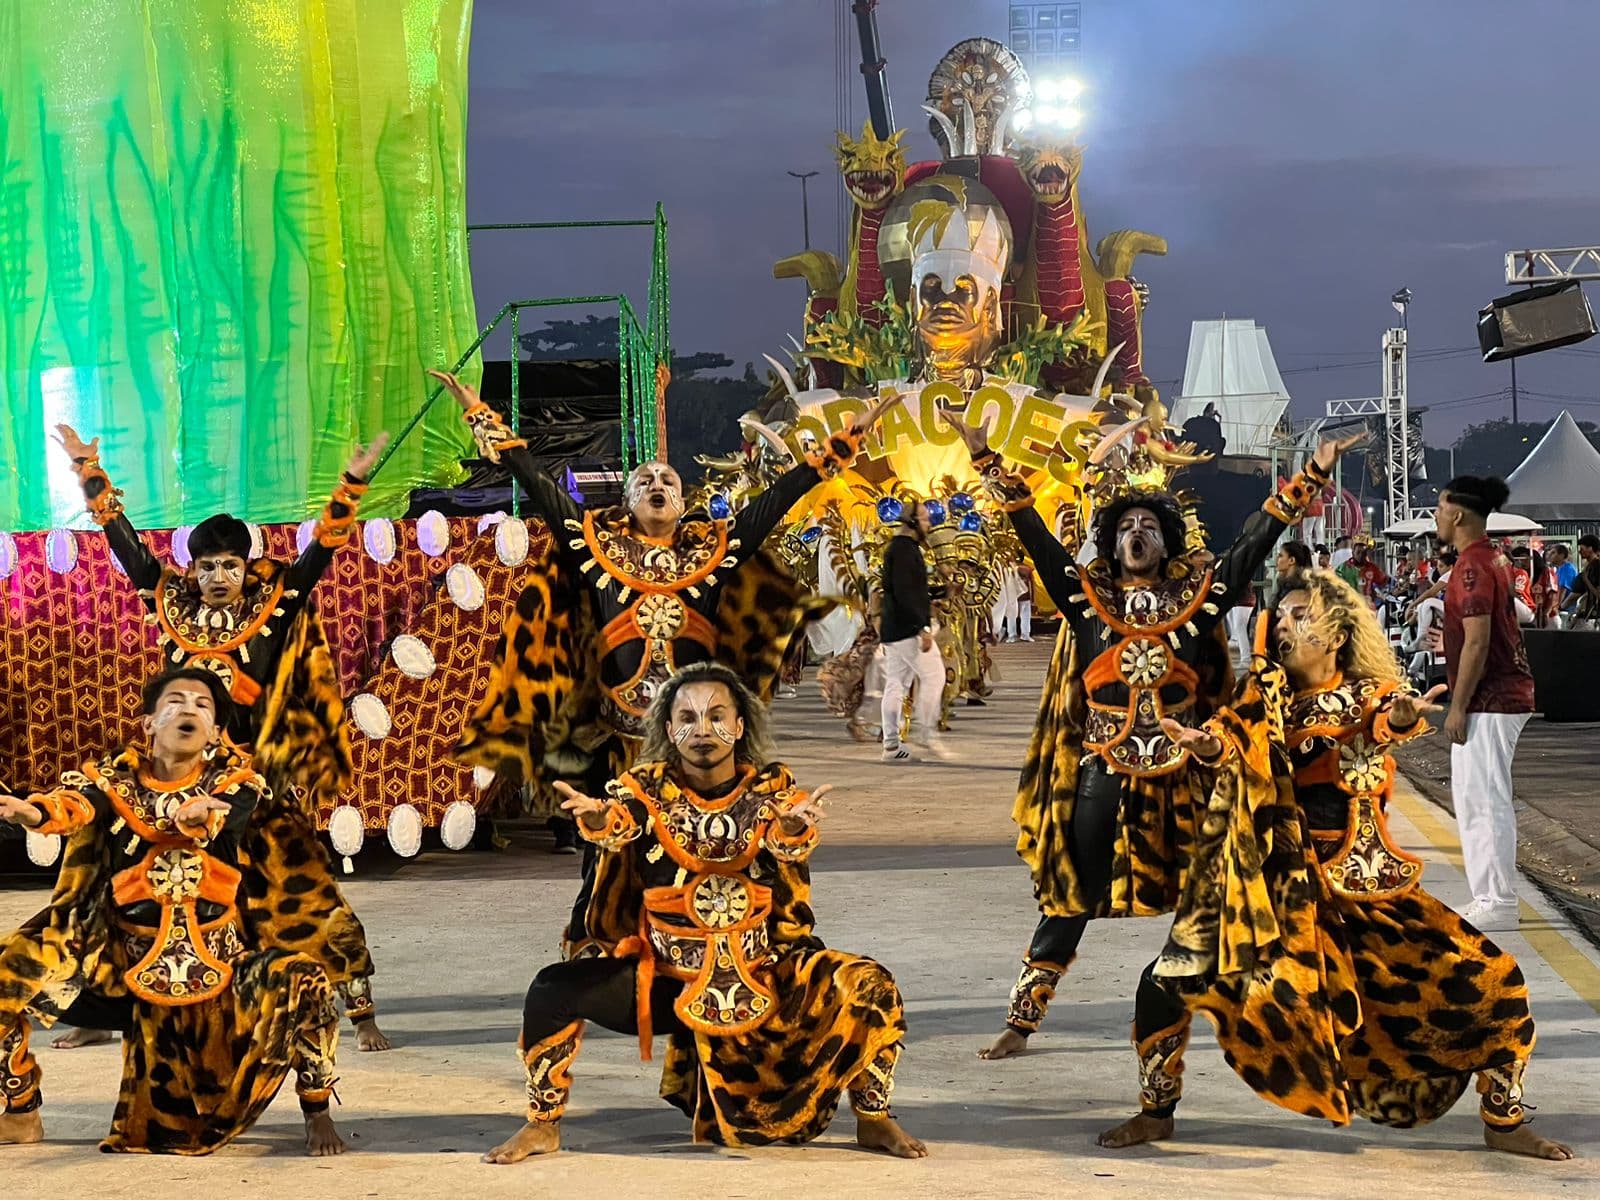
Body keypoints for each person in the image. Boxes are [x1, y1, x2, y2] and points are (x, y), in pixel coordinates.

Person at [1098, 572, 1572, 1162]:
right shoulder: (1259, 695)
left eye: (1303, 614)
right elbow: (1231, 740)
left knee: (1495, 981)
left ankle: (1503, 1123)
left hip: (1362, 884)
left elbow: (1380, 726)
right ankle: (1155, 1112)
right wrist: (1207, 746)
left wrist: (1399, 719)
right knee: (1165, 983)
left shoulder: (1367, 693)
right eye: (1285, 614)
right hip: (1275, 888)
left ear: (1339, 632)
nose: (1288, 624)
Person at [941, 407, 1361, 1059]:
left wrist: (1312, 473)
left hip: (1186, 782)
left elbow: (1254, 540)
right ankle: (1022, 1021)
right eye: (1127, 526)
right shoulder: (1085, 603)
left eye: (1149, 526)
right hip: (1100, 781)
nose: (1137, 534)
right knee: (1069, 894)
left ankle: (1267, 1009)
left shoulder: (1199, 606)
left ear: (1167, 543)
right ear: (1111, 543)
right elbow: (1031, 532)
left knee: (1227, 890)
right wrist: (982, 454)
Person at [436, 371, 892, 952]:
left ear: (685, 500)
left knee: (725, 838)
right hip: (623, 737)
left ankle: (750, 938)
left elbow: (774, 503)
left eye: (668, 480)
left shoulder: (713, 551)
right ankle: (592, 939)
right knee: (609, 844)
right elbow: (543, 486)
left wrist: (833, 452)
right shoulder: (597, 544)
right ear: (627, 501)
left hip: (703, 739)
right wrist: (483, 415)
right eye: (645, 480)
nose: (657, 484)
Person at [483, 663, 925, 1164]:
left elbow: (789, 841)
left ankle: (873, 1118)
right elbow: (619, 824)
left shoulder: (771, 791)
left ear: (740, 727)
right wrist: (600, 819)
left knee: (871, 983)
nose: (702, 730)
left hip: (762, 975)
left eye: (717, 716)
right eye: (687, 718)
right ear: (669, 730)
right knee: (551, 989)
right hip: (668, 982)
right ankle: (542, 1126)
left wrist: (792, 835)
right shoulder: (643, 790)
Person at [53, 423, 393, 1052]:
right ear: (192, 567)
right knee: (126, 890)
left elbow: (321, 550)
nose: (217, 577)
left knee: (307, 893)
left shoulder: (274, 606)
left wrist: (353, 482)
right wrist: (88, 472)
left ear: (245, 566)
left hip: (252, 787)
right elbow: (126, 550)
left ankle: (360, 1006)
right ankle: (105, 1010)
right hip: (173, 788)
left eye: (229, 566)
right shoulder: (170, 606)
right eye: (205, 566)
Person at [0, 670, 344, 1155]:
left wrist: (204, 816)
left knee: (307, 980)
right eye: (175, 701)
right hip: (118, 970)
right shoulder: (113, 782)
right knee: (5, 972)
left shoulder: (237, 784)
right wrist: (31, 814)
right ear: (147, 723)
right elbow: (74, 805)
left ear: (216, 733)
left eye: (203, 706)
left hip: (222, 982)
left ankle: (317, 1111)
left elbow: (226, 816)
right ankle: (22, 1112)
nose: (189, 710)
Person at [1436, 476, 1536, 934]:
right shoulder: (1490, 557)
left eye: (1439, 506)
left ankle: (1496, 898)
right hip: (1498, 694)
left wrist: (1458, 707)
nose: (1436, 515)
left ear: (1458, 513)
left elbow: (1478, 642)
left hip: (1489, 699)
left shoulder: (1472, 567)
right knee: (1479, 796)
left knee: (1483, 798)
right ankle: (1492, 895)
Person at [878, 500, 948, 763]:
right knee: (935, 676)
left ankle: (891, 747)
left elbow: (910, 589)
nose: (929, 524)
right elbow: (907, 594)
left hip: (894, 627)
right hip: (908, 629)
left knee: (896, 684)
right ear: (912, 523)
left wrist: (943, 592)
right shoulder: (906, 551)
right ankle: (927, 736)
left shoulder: (900, 549)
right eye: (925, 519)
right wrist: (923, 628)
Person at [1272, 539, 1312, 605]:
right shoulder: (1282, 582)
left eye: (1280, 556)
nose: (1277, 559)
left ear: (1291, 560)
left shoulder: (1302, 586)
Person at [1576, 534, 1600, 626]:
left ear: (1590, 548)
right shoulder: (1589, 566)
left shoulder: (1597, 566)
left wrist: (1586, 580)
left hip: (1596, 615)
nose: (1580, 551)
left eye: (1582, 549)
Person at [1550, 543, 1579, 619]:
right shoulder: (1559, 568)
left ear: (1562, 555)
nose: (1550, 555)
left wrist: (1557, 608)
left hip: (1567, 610)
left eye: (1553, 553)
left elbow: (1562, 589)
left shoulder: (1567, 568)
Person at [1016, 560, 1036, 642]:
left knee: (1011, 617)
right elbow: (1032, 584)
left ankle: (1011, 634)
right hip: (1025, 595)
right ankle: (1025, 635)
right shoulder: (1028, 569)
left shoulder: (1011, 569)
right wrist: (1033, 598)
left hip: (1013, 595)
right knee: (1025, 616)